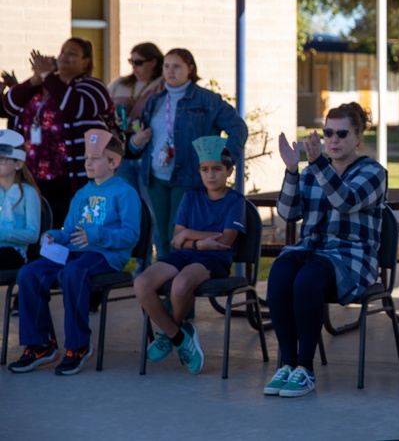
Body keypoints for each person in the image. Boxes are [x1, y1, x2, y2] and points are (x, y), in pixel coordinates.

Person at [264, 103, 387, 398]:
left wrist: (317, 164)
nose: (333, 139)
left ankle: (305, 369)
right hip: (313, 248)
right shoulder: (312, 171)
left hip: (352, 255)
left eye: (342, 133)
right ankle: (288, 364)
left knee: (307, 279)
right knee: (280, 274)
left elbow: (346, 201)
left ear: (358, 137)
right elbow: (287, 213)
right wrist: (292, 171)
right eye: (328, 132)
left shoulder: (372, 172)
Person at [7, 129, 140, 376]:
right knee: (28, 273)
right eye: (86, 158)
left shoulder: (125, 193)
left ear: (114, 162)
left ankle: (78, 346)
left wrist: (97, 235)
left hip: (105, 256)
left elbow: (131, 235)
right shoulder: (82, 193)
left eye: (95, 158)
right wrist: (55, 236)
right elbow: (69, 230)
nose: (88, 163)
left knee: (73, 272)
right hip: (73, 252)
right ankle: (39, 345)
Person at [134, 135, 246, 375]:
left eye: (217, 169)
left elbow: (225, 240)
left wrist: (189, 236)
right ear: (199, 171)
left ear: (229, 171)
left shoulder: (235, 201)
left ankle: (169, 332)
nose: (211, 174)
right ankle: (178, 336)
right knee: (142, 283)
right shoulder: (191, 197)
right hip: (188, 254)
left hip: (214, 260)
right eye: (205, 169)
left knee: (181, 284)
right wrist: (200, 242)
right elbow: (176, 236)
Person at [128, 48, 247, 259]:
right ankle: (164, 284)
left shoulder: (207, 100)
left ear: (190, 69)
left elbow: (238, 127)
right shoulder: (155, 100)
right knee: (161, 235)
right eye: (166, 66)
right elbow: (140, 139)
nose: (170, 71)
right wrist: (136, 141)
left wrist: (224, 158)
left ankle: (177, 282)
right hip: (155, 176)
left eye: (177, 66)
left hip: (188, 175)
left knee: (179, 235)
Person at [2, 38, 113, 229]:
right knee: (37, 232)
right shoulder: (44, 84)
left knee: (70, 232)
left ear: (85, 61)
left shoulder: (92, 86)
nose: (64, 57)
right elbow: (10, 105)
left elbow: (76, 106)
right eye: (62, 52)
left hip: (70, 177)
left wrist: (47, 76)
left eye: (72, 53)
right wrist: (35, 80)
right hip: (33, 177)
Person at [107, 42, 165, 192]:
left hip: (147, 151)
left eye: (138, 62)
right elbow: (104, 111)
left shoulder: (161, 86)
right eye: (131, 62)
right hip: (121, 151)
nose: (134, 67)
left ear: (153, 62)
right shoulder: (120, 84)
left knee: (149, 205)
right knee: (126, 202)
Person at [0, 130, 41, 270]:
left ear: (18, 164)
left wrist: (5, 233)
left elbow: (33, 235)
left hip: (14, 252)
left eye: (1, 159)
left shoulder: (29, 193)